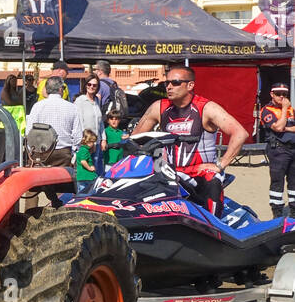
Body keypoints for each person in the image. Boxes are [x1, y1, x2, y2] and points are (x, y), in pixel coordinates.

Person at [132, 65, 249, 214]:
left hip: (201, 173)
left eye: (175, 83)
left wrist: (220, 165)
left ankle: (214, 227)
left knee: (212, 180)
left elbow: (240, 133)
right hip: (171, 171)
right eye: (166, 83)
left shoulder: (206, 108)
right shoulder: (159, 107)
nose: (169, 87)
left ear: (190, 85)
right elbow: (135, 139)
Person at [25, 75, 82, 167]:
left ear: (47, 90)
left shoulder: (37, 106)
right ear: (60, 89)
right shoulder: (72, 108)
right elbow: (78, 136)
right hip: (63, 153)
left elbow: (29, 131)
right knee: (62, 181)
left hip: (40, 152)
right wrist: (74, 152)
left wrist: (31, 151)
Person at [260, 81, 295, 216]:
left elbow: (283, 127)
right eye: (278, 94)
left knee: (293, 182)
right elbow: (278, 128)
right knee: (277, 182)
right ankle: (277, 213)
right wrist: (285, 110)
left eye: (284, 94)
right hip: (278, 150)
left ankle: (293, 213)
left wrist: (285, 127)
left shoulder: (292, 110)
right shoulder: (267, 110)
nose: (282, 97)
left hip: (293, 149)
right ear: (272, 95)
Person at [74, 75, 105, 171]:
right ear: (85, 85)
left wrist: (104, 139)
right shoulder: (80, 101)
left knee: (98, 170)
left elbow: (100, 123)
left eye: (94, 85)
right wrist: (86, 141)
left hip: (98, 142)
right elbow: (79, 123)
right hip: (87, 143)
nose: (91, 87)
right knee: (88, 171)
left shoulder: (97, 100)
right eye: (89, 84)